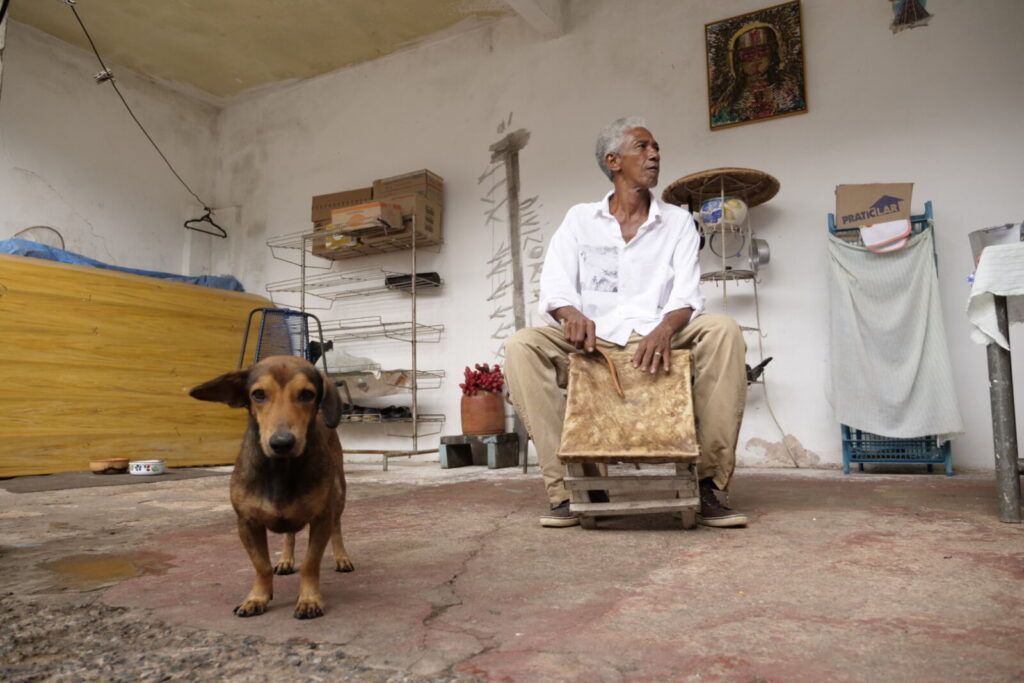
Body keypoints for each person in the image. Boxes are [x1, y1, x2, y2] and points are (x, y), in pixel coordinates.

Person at [503, 116, 749, 529]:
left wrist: (666, 329)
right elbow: (556, 286)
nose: (654, 154)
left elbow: (687, 294)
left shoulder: (677, 223)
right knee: (522, 345)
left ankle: (708, 485)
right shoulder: (580, 219)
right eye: (643, 147)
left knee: (723, 331)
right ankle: (570, 489)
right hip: (594, 342)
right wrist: (571, 314)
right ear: (613, 160)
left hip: (661, 334)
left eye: (656, 149)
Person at [711, 23, 806, 127]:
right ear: (736, 60)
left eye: (762, 51)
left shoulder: (788, 87)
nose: (756, 59)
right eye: (747, 54)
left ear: (774, 52)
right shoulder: (730, 98)